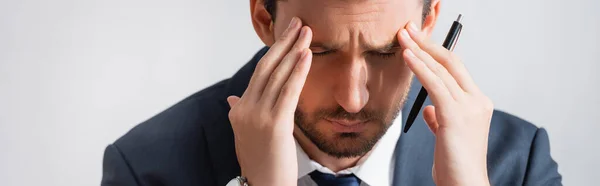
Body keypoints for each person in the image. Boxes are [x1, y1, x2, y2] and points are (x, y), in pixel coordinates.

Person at [101, 0, 562, 185]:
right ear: (265, 19)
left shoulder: (517, 166)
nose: (353, 99)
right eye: (320, 52)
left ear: (428, 21)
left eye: (384, 52)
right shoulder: (146, 171)